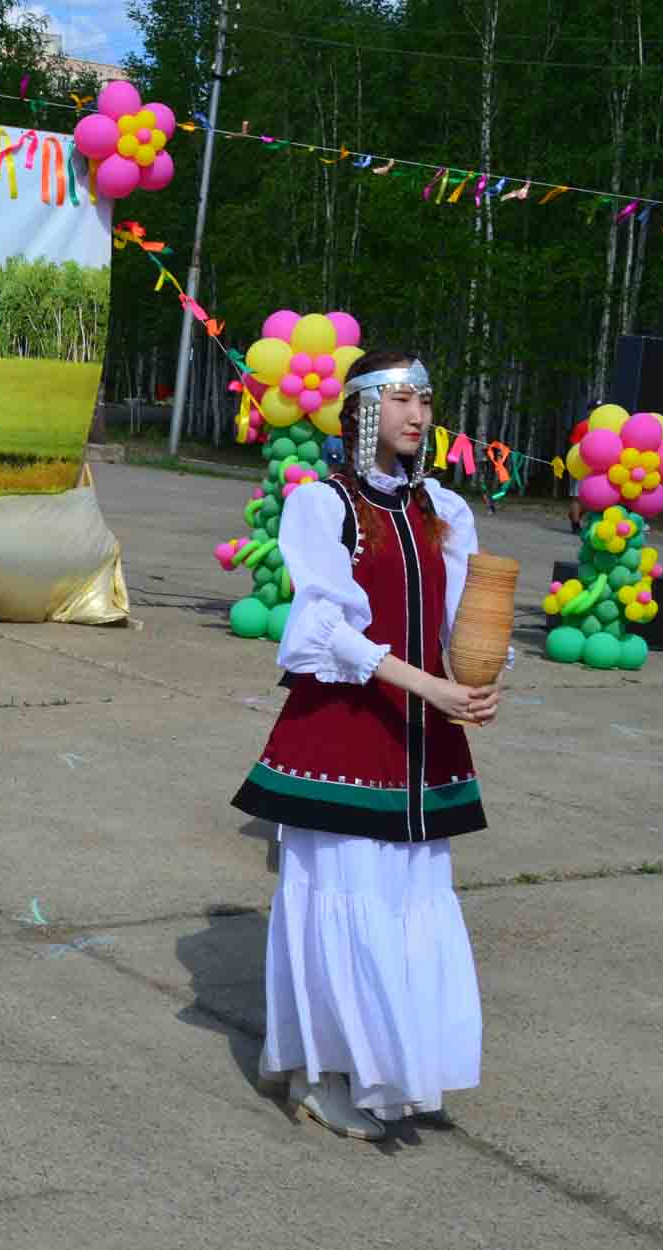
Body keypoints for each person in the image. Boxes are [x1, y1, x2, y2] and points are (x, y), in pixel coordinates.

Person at [229, 351, 500, 1142]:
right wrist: (432, 688)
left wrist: (483, 674)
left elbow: (459, 623)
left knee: (407, 900)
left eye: (426, 398)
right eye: (401, 398)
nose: (417, 413)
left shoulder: (443, 508)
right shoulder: (325, 506)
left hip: (421, 746)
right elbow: (321, 630)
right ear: (361, 411)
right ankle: (319, 1073)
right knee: (338, 900)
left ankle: (391, 1068)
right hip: (343, 735)